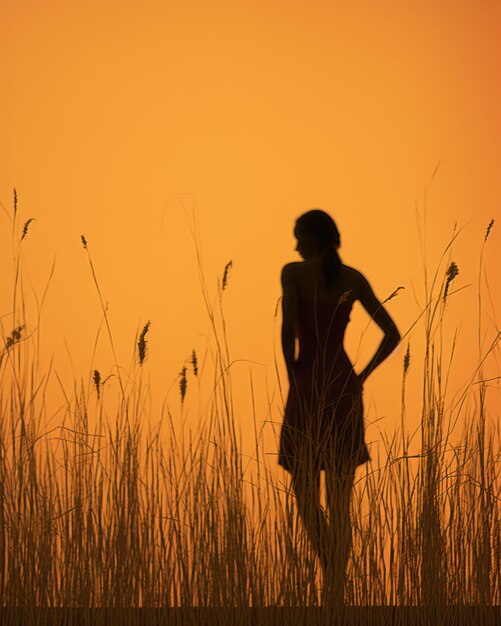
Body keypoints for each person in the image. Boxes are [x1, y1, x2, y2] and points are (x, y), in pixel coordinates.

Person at [279, 209, 400, 605]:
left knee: (303, 487)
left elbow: (286, 332)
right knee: (341, 499)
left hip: (308, 383)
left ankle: (330, 567)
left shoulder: (293, 273)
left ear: (312, 238)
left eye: (299, 237)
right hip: (344, 386)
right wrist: (361, 377)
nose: (295, 245)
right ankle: (336, 587)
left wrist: (293, 375)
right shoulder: (353, 277)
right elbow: (392, 333)